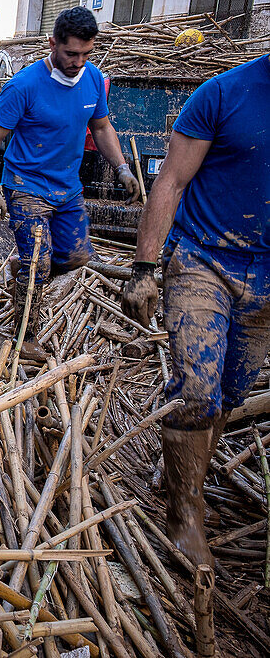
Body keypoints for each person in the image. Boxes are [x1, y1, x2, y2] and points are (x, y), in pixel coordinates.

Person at [121, 53, 270, 566]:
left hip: (268, 278)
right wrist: (143, 270)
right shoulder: (223, 94)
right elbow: (171, 182)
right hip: (204, 259)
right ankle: (185, 512)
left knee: (229, 394)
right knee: (196, 387)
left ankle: (186, 472)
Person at [0, 6, 138, 359]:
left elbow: (101, 127)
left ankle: (22, 266)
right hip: (26, 185)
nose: (77, 61)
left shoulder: (93, 79)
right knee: (38, 266)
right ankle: (25, 337)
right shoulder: (24, 85)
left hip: (68, 189)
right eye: (70, 53)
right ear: (53, 43)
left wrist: (122, 167)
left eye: (86, 53)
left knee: (78, 256)